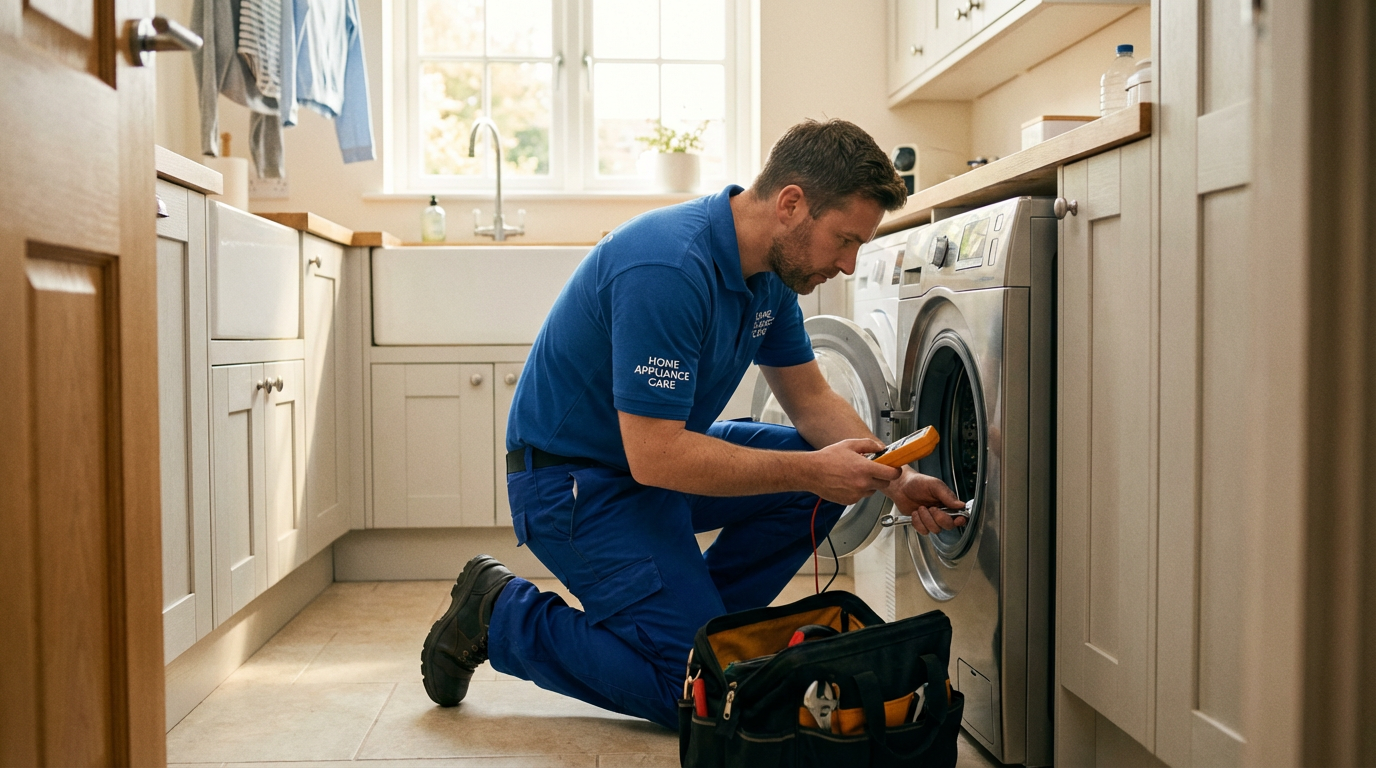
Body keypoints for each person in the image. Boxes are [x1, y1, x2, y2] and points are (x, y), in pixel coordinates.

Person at [420, 119, 967, 729]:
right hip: (573, 485)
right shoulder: (669, 269)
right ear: (791, 204)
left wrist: (895, 476)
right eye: (844, 240)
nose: (847, 263)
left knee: (814, 480)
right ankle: (500, 615)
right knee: (695, 697)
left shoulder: (770, 278)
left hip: (649, 468)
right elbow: (654, 456)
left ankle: (705, 637)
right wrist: (815, 469)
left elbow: (811, 402)